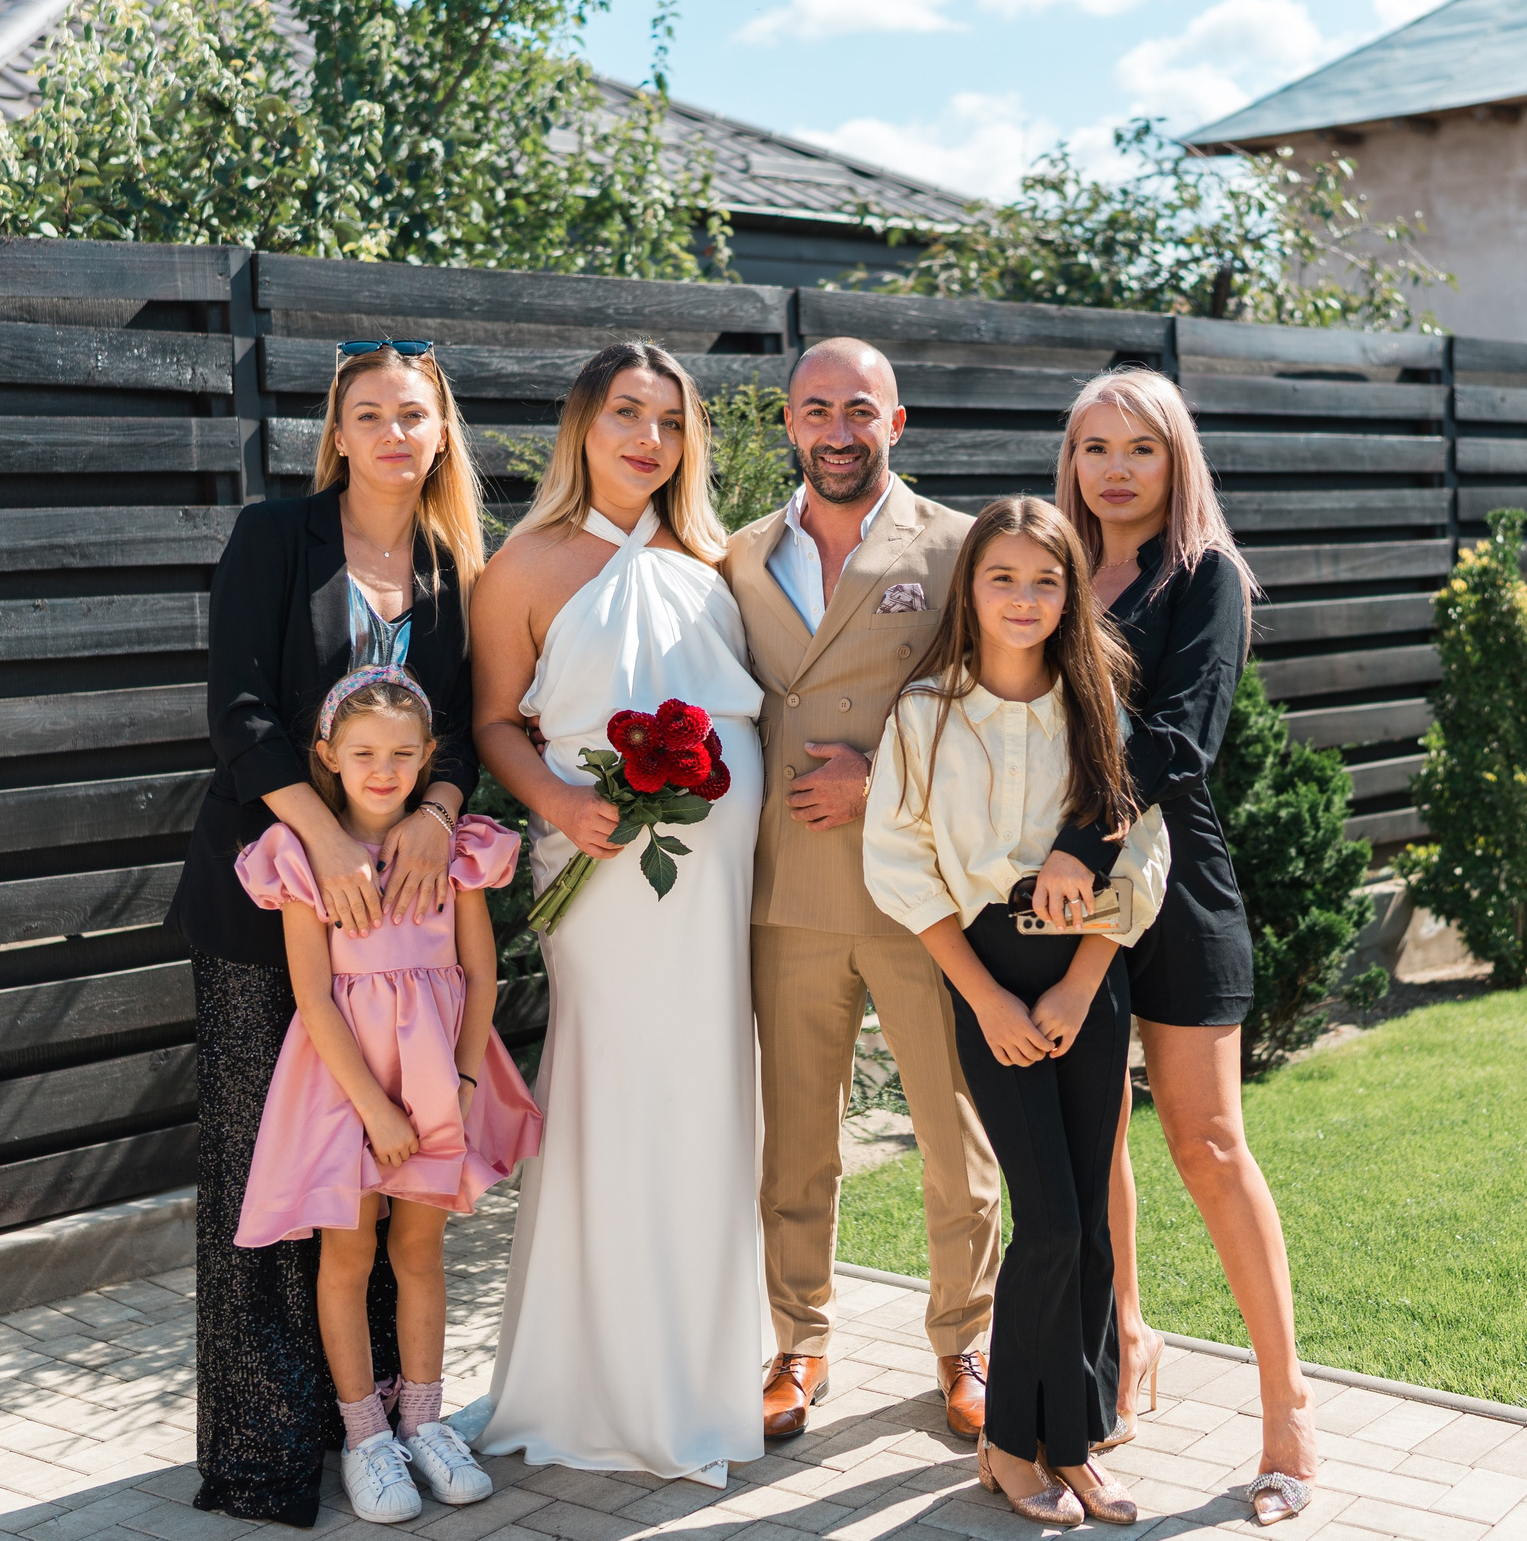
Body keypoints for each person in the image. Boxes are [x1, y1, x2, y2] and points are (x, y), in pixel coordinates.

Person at [172, 340, 489, 1527]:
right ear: (339, 434)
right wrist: (330, 842)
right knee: (274, 1175)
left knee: (384, 1187)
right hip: (275, 903)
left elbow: (458, 729)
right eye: (370, 415)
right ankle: (270, 1445)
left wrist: (438, 816)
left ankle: (395, 1423)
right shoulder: (273, 538)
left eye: (414, 414)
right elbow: (239, 714)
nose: (394, 433)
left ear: (441, 431)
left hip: (402, 923)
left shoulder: (459, 565)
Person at [468, 342, 767, 1486]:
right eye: (626, 414)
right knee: (609, 1096)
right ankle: (586, 1383)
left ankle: (696, 1382)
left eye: (671, 420)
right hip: (594, 870)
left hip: (717, 876)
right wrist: (557, 799)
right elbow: (496, 717)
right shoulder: (529, 560)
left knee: (703, 1099)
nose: (649, 438)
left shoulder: (717, 556)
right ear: (581, 427)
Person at [1033, 367, 1321, 1525]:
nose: (1114, 469)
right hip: (1057, 890)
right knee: (1091, 1137)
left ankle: (1287, 1408)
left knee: (1205, 1142)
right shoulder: (1047, 570)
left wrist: (1070, 843)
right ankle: (1127, 1342)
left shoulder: (1206, 581)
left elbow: (1180, 741)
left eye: (1139, 449)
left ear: (1175, 461)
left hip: (1174, 882)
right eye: (1095, 447)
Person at [863, 496, 1169, 1528]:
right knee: (1042, 1217)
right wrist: (984, 994)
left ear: (1071, 594)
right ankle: (1004, 1444)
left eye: (1046, 581)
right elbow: (900, 862)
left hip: (1090, 971)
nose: (1024, 598)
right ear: (971, 589)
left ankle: (1072, 1447)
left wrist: (1084, 982)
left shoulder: (1099, 705)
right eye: (1003, 578)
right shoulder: (926, 713)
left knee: (1086, 1227)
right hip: (985, 969)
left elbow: (1143, 849)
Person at [721, 338, 1001, 1444]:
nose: (837, 430)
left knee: (952, 1129)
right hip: (783, 893)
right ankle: (799, 1343)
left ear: (899, 419)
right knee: (795, 1139)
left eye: (858, 409)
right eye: (815, 410)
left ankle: (964, 1344)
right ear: (788, 423)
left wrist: (881, 779)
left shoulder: (960, 546)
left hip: (919, 893)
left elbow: (999, 709)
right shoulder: (739, 554)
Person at [231, 666, 542, 1523]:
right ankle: (367, 1437)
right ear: (327, 754)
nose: (383, 768)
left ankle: (426, 1424)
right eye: (364, 751)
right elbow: (314, 996)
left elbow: (479, 975)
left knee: (419, 1252)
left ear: (428, 756)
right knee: (346, 1257)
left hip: (439, 1079)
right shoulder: (300, 858)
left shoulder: (457, 849)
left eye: (404, 753)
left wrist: (468, 1081)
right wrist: (374, 1107)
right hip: (345, 1091)